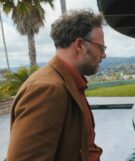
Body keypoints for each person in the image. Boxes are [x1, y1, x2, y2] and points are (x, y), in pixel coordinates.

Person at [6, 10, 106, 161]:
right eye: (100, 48)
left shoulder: (69, 82)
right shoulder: (47, 89)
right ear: (79, 45)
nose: (104, 55)